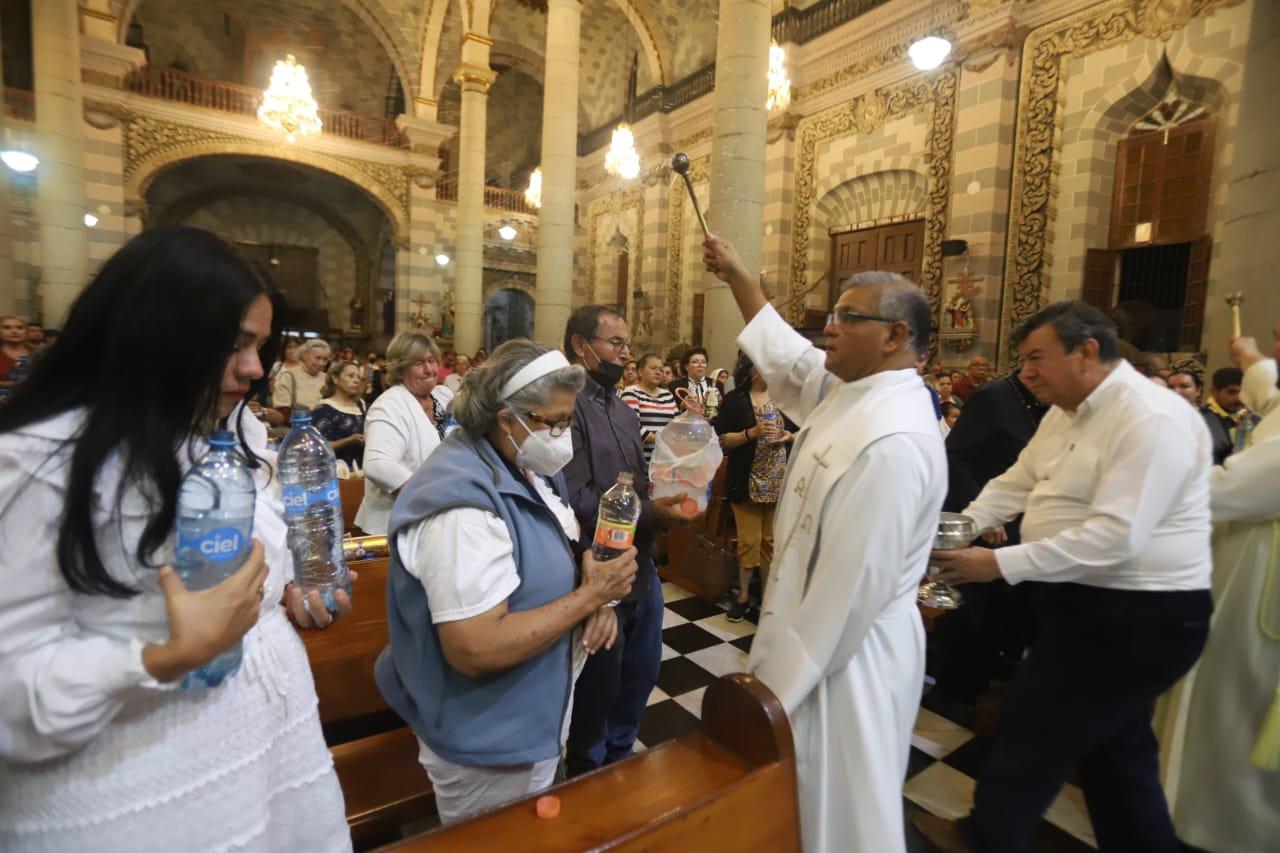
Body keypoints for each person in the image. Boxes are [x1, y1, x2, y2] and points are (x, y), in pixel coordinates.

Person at [0, 226, 353, 850]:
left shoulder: (219, 432)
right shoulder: (37, 462)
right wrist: (162, 657)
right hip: (138, 796)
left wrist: (285, 591)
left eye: (260, 347)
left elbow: (242, 560)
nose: (252, 369)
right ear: (150, 333)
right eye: (233, 344)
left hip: (265, 757)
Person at [926, 301, 1213, 853]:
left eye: (1037, 357)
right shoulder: (1067, 411)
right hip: (1088, 604)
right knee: (1115, 757)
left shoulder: (1149, 417)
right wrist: (965, 528)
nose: (1026, 371)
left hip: (1141, 612)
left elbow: (1117, 537)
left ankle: (983, 839)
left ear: (1087, 352)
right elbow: (1017, 482)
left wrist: (997, 565)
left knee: (1033, 727)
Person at [703, 234, 946, 852]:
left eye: (848, 317)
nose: (828, 327)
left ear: (894, 337)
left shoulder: (892, 439)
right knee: (800, 802)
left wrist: (770, 693)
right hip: (811, 637)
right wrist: (739, 276)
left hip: (848, 660)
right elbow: (789, 358)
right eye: (831, 314)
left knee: (840, 812)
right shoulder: (853, 391)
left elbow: (848, 594)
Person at [375, 340, 637, 825]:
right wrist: (593, 596)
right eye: (553, 423)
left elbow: (554, 541)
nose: (563, 437)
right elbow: (475, 648)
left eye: (567, 422)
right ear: (506, 418)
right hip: (487, 740)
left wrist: (590, 581)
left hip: (531, 714)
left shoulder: (524, 467)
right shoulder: (462, 508)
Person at [1158, 328, 1280, 852]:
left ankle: (1221, 828)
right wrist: (1253, 364)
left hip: (1261, 580)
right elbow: (1273, 398)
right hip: (1250, 557)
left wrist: (1147, 463)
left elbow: (1229, 489)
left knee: (1233, 704)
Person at [561, 306, 694, 778]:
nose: (625, 353)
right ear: (581, 345)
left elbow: (635, 482)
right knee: (599, 684)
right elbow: (576, 498)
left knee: (641, 672)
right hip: (596, 567)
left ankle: (618, 760)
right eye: (615, 343)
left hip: (641, 562)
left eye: (626, 344)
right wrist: (650, 511)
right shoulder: (565, 405)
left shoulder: (620, 407)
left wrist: (661, 498)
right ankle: (587, 773)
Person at [926, 371, 1048, 725]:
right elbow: (955, 458)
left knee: (1005, 615)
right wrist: (979, 516)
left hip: (1019, 528)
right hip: (985, 526)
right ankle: (952, 693)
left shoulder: (1051, 407)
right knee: (972, 616)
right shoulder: (996, 397)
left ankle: (986, 678)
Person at [713, 353, 796, 623]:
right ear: (750, 370)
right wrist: (753, 433)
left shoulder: (784, 398)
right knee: (749, 542)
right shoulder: (735, 400)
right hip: (746, 479)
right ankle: (743, 597)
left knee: (771, 542)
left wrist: (788, 436)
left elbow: (801, 430)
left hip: (777, 477)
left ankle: (768, 597)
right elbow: (723, 440)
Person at [356, 330, 454, 535]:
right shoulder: (389, 405)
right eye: (419, 363)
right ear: (400, 369)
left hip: (437, 521)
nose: (429, 369)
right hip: (395, 526)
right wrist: (430, 496)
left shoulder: (443, 396)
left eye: (432, 360)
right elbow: (377, 465)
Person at [619, 352, 678, 464]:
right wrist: (659, 440)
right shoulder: (631, 392)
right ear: (640, 371)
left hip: (665, 460)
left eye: (660, 369)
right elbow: (631, 425)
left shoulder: (668, 395)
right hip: (640, 459)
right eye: (653, 368)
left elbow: (676, 423)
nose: (658, 372)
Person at [312, 360, 366, 468]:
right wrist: (349, 441)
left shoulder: (360, 404)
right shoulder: (323, 408)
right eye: (351, 376)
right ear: (335, 379)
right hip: (334, 471)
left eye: (358, 377)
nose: (356, 380)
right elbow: (318, 447)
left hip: (360, 470)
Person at [272, 338, 330, 410]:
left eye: (325, 359)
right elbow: (282, 409)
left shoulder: (327, 378)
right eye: (317, 358)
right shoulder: (288, 376)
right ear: (305, 355)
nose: (321, 363)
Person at [670, 346, 712, 411]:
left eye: (703, 362)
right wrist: (682, 405)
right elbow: (671, 410)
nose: (700, 365)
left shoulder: (716, 384)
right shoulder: (675, 385)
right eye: (695, 362)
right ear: (686, 366)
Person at [0, 313, 31, 387]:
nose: (14, 331)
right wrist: (9, 384)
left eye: (19, 328)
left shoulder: (39, 353)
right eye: (7, 327)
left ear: (26, 332)